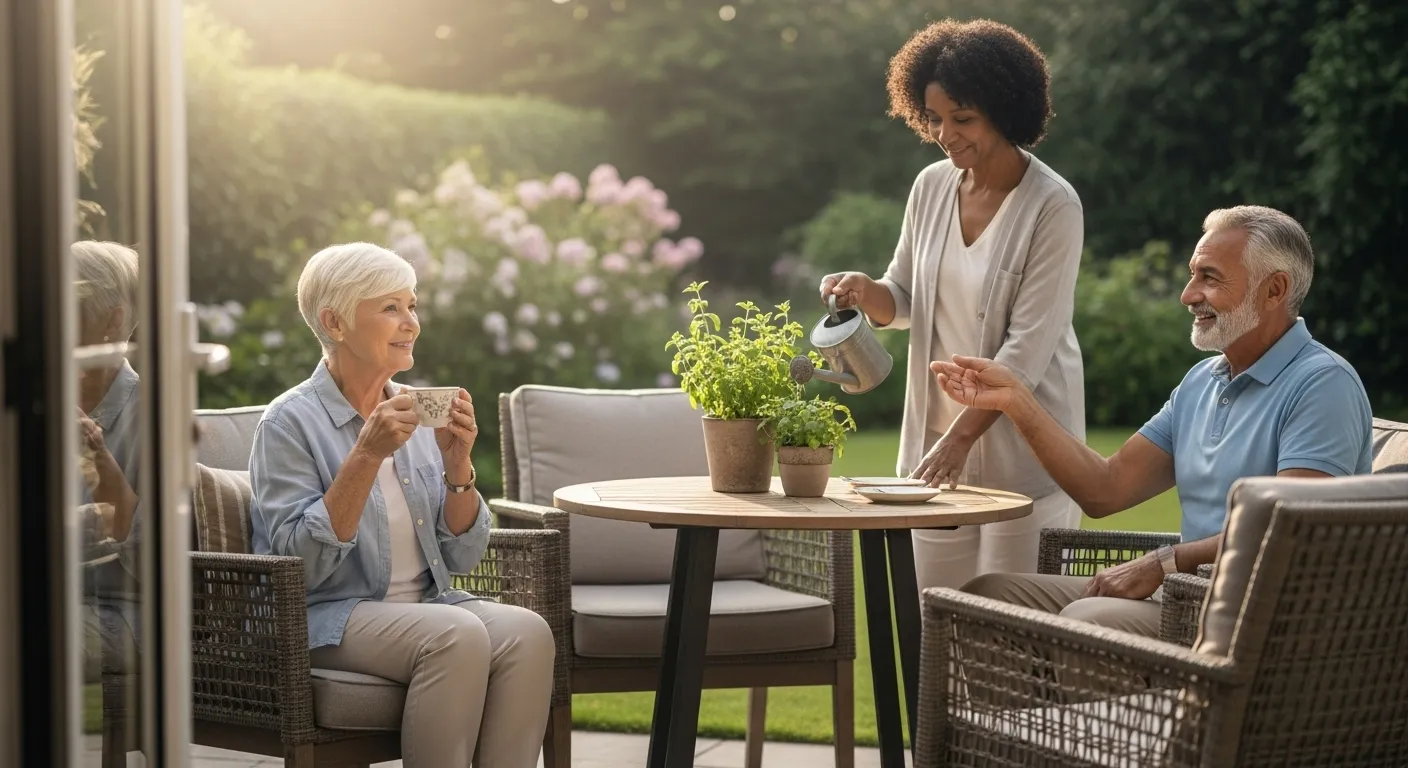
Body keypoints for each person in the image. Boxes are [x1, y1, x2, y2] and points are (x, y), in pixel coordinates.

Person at [936, 205, 1373, 636]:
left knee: (1089, 625)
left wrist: (1167, 562)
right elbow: (1105, 490)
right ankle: (1035, 713)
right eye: (1192, 274)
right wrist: (1015, 400)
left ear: (1274, 290)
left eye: (1210, 277)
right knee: (984, 599)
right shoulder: (1203, 381)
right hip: (1185, 598)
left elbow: (1289, 529)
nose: (1188, 295)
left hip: (1255, 619)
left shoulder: (1322, 384)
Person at [249, 242, 554, 767]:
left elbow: (458, 559)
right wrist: (366, 454)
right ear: (335, 322)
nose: (410, 322)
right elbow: (301, 566)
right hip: (324, 615)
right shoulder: (287, 424)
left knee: (529, 632)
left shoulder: (416, 411)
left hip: (425, 605)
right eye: (390, 308)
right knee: (455, 635)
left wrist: (460, 466)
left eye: (412, 305)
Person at [820, 19, 1085, 590]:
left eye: (962, 119)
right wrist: (868, 292)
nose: (945, 133)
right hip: (934, 452)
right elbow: (907, 300)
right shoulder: (931, 186)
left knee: (1012, 637)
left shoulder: (1054, 205)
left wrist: (961, 439)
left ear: (1007, 110)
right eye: (934, 117)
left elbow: (1027, 353)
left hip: (1021, 452)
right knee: (932, 618)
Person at [72, 240, 143, 682]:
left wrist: (94, 456)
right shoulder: (31, 402)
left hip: (124, 611)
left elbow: (148, 558)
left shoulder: (154, 416)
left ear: (112, 320)